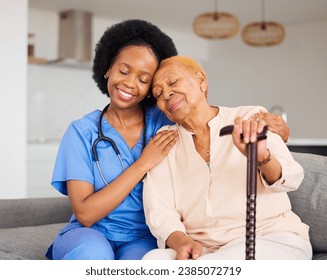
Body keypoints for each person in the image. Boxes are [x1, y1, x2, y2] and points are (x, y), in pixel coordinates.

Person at [142, 56, 312, 260]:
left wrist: (261, 157)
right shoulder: (164, 141)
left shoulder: (250, 118)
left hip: (269, 238)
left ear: (201, 81)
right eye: (158, 94)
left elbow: (292, 178)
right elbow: (160, 210)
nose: (166, 94)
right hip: (203, 248)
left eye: (172, 83)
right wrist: (182, 241)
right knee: (153, 261)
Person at [45, 19, 179, 260]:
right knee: (92, 254)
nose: (129, 83)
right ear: (108, 68)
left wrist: (257, 117)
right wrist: (143, 163)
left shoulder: (164, 122)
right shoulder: (81, 132)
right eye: (124, 71)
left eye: (143, 79)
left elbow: (207, 121)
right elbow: (85, 213)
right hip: (90, 233)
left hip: (143, 237)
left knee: (144, 263)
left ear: (151, 87)